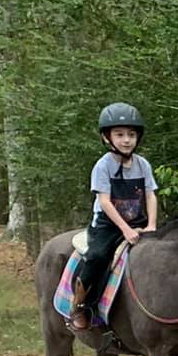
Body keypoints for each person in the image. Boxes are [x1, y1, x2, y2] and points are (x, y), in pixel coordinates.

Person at [70, 102, 157, 332]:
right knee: (97, 256)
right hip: (108, 225)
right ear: (107, 137)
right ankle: (81, 305)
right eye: (119, 134)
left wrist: (152, 225)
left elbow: (150, 195)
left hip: (138, 221)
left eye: (131, 134)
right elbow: (105, 202)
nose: (126, 140)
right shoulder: (103, 166)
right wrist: (125, 230)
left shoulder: (143, 165)